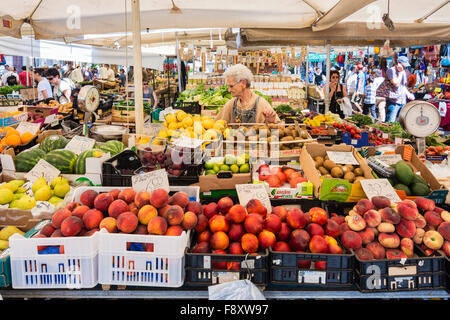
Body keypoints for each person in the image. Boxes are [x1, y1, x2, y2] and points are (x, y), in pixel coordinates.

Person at [215, 64, 279, 124]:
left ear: (243, 83)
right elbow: (216, 125)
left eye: (231, 86)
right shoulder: (230, 105)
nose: (229, 90)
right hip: (234, 136)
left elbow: (278, 130)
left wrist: (271, 121)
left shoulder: (261, 104)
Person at [386, 56, 415, 122]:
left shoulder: (403, 72)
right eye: (404, 65)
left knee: (402, 122)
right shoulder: (391, 71)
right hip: (394, 102)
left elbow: (403, 86)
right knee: (391, 122)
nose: (405, 67)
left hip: (402, 101)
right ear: (399, 63)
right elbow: (396, 83)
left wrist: (408, 94)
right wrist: (400, 73)